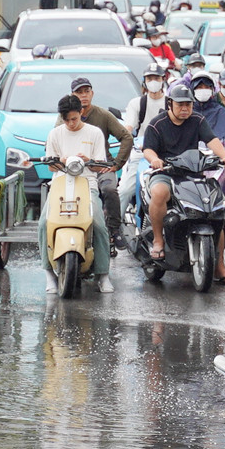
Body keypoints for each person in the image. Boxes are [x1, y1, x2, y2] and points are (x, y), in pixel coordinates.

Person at [141, 84, 225, 260]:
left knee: (214, 208)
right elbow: (147, 149)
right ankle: (158, 240)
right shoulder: (157, 124)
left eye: (188, 104)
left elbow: (212, 140)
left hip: (192, 173)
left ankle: (221, 267)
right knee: (159, 192)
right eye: (180, 104)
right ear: (170, 104)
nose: (185, 108)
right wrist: (155, 159)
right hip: (166, 172)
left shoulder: (198, 120)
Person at [41, 94, 113, 293]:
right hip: (60, 184)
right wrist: (61, 160)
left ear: (81, 112)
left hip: (87, 183)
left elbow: (100, 166)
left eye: (74, 118)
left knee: (98, 223)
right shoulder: (55, 134)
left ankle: (103, 274)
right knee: (44, 223)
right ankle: (48, 273)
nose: (71, 124)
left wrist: (88, 159)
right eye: (66, 120)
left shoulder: (95, 133)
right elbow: (51, 168)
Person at [61, 77, 134, 254]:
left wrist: (117, 164)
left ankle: (114, 230)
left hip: (101, 165)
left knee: (109, 189)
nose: (83, 95)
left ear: (92, 94)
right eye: (79, 92)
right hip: (73, 168)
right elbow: (56, 139)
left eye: (87, 91)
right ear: (73, 95)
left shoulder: (103, 115)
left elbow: (126, 137)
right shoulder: (65, 117)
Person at [119, 64, 168, 214]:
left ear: (163, 80)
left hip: (166, 152)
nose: (153, 81)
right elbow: (129, 127)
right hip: (141, 151)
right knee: (124, 191)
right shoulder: (137, 103)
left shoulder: (171, 102)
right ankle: (112, 228)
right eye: (150, 78)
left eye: (156, 78)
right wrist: (126, 139)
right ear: (144, 81)